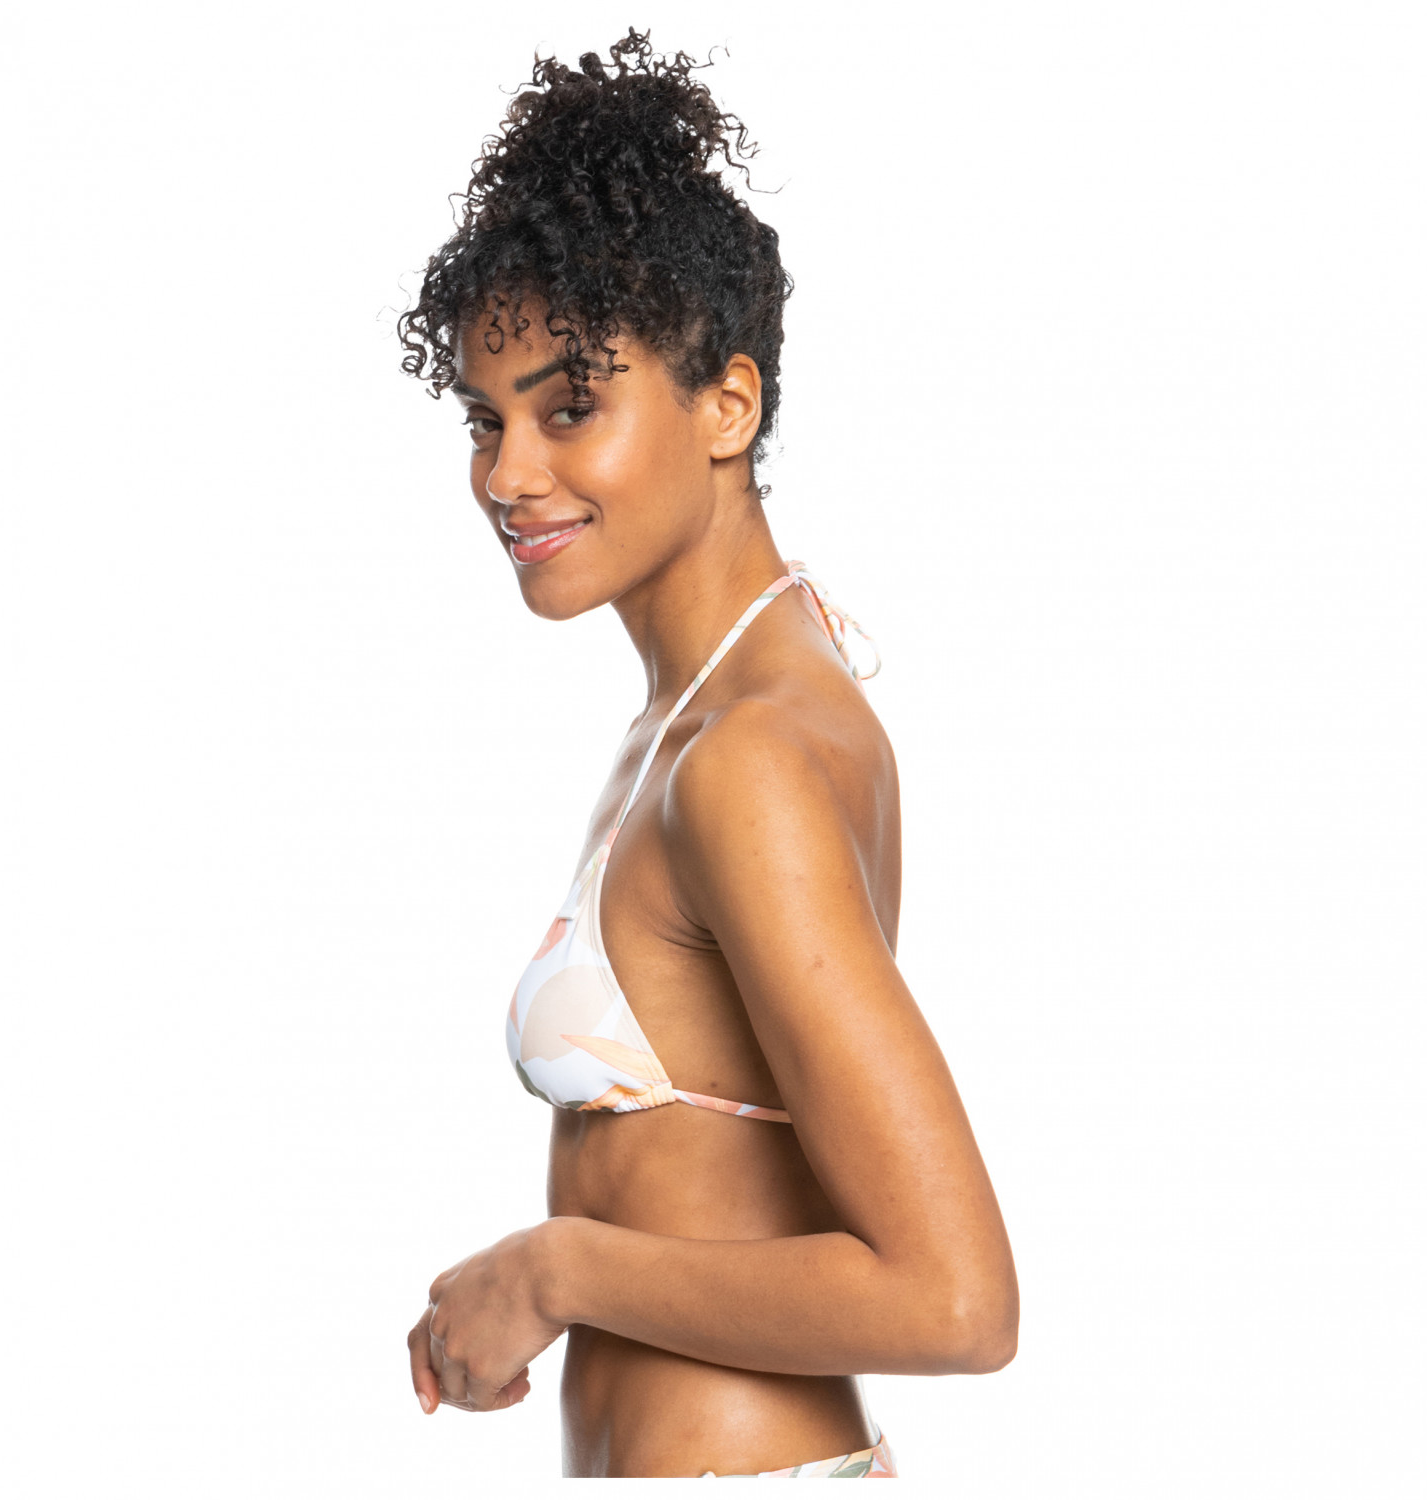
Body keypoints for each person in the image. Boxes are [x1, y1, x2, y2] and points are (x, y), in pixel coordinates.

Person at [399, 29, 1018, 1480]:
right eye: (485, 420)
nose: (507, 475)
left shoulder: (748, 754)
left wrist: (555, 1268)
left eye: (569, 407)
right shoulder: (707, 711)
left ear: (726, 406)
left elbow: (958, 1299)